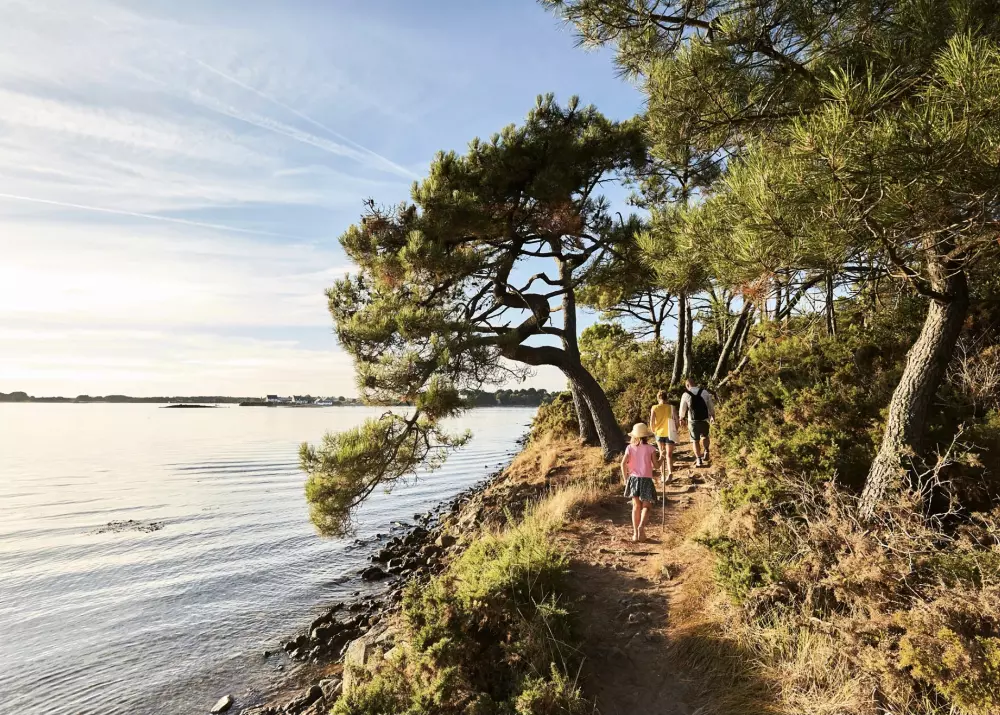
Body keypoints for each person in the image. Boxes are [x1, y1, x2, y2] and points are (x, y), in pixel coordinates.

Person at [620, 423, 661, 542]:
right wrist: (662, 458)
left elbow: (623, 464)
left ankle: (635, 534)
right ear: (646, 436)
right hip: (646, 479)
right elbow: (657, 466)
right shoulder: (651, 448)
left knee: (636, 506)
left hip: (633, 479)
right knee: (646, 506)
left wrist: (626, 479)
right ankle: (641, 526)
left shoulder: (629, 448)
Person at [679, 378, 715, 467]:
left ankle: (699, 459)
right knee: (705, 436)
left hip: (693, 421)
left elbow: (683, 409)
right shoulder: (704, 392)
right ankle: (706, 450)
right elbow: (710, 405)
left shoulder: (686, 394)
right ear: (694, 383)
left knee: (695, 440)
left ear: (687, 385)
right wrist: (712, 416)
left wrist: (681, 418)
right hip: (704, 419)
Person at [648, 390, 678, 482]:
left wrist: (653, 431)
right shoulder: (672, 407)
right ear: (666, 398)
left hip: (659, 433)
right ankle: (670, 472)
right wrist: (676, 430)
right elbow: (676, 420)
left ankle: (662, 475)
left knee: (662, 454)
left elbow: (651, 421)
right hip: (670, 432)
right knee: (669, 455)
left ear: (658, 398)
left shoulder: (654, 408)